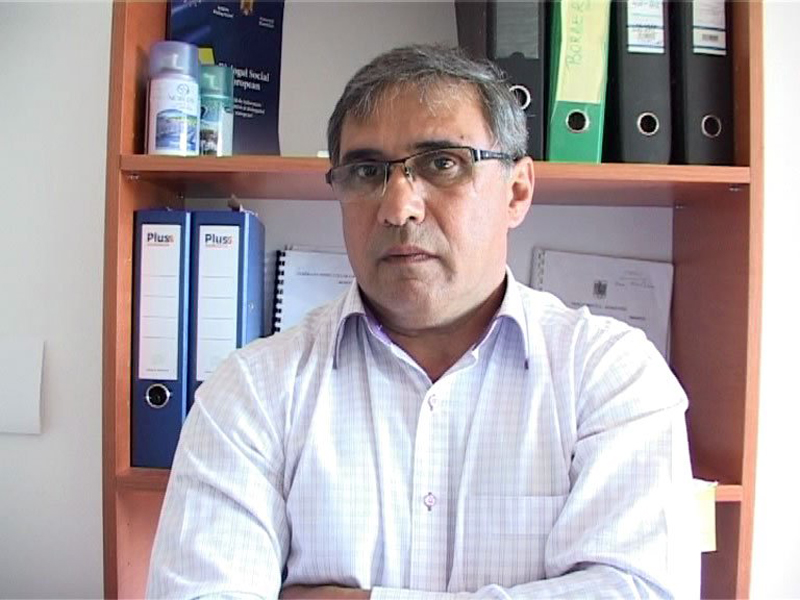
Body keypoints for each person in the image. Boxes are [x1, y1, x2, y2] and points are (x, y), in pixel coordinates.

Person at [147, 44, 699, 599]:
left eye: (441, 164)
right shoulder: (252, 390)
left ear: (517, 191)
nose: (398, 207)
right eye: (366, 171)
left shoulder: (611, 375)